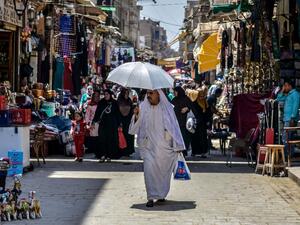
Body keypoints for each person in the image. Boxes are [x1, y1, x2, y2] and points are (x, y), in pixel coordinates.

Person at [129, 89, 185, 207]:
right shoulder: (143, 107)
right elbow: (134, 128)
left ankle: (160, 195)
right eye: (147, 93)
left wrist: (178, 144)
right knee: (148, 171)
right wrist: (136, 115)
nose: (148, 96)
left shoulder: (167, 108)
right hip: (148, 146)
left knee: (162, 173)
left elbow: (174, 127)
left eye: (151, 93)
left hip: (164, 148)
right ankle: (150, 197)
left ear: (158, 94)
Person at [92, 89, 120, 162]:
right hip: (103, 124)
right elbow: (97, 112)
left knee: (110, 140)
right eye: (105, 94)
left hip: (111, 125)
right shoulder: (101, 102)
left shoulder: (114, 103)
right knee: (102, 139)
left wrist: (119, 124)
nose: (106, 96)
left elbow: (118, 114)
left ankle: (109, 156)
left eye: (107, 94)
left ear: (110, 95)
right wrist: (93, 121)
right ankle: (102, 155)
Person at [276, 79, 300, 156]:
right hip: (287, 119)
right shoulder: (288, 95)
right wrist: (282, 90)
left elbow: (295, 106)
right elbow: (278, 99)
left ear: (290, 86)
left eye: (285, 86)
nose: (284, 87)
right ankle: (289, 155)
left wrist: (292, 118)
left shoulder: (295, 94)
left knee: (285, 138)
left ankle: (287, 156)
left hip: (290, 120)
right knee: (289, 138)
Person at [172, 86, 193, 156]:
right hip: (176, 121)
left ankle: (183, 152)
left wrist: (187, 108)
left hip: (184, 122)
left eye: (175, 91)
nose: (174, 93)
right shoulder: (174, 99)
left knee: (184, 137)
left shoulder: (186, 98)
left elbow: (191, 106)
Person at [191, 88, 210, 158]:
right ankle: (195, 152)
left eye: (202, 95)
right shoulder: (194, 102)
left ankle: (203, 152)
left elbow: (208, 112)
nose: (201, 96)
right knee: (195, 138)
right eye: (200, 95)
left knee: (202, 138)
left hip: (202, 123)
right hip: (196, 123)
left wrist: (207, 121)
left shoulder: (205, 102)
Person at [117, 88, 135, 157]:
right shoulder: (119, 101)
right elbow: (117, 112)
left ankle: (128, 151)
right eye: (125, 93)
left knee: (129, 136)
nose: (127, 95)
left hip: (128, 122)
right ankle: (122, 151)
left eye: (127, 93)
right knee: (122, 137)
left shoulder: (129, 101)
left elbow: (131, 110)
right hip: (121, 122)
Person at [85, 91, 101, 155]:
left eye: (98, 96)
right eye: (95, 96)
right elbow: (87, 115)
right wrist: (87, 123)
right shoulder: (90, 104)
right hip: (93, 123)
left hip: (100, 123)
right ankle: (95, 150)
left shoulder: (101, 104)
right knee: (94, 137)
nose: (96, 98)